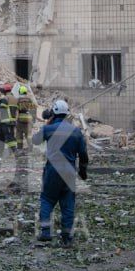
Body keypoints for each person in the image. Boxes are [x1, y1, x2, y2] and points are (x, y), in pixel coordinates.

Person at [32, 99, 89, 246]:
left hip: (52, 170)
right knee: (68, 203)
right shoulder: (76, 131)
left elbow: (35, 141)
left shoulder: (48, 129)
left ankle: (45, 232)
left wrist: (46, 125)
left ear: (53, 113)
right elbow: (83, 155)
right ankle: (67, 238)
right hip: (69, 171)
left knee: (47, 199)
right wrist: (83, 172)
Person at [0, 88, 17, 156]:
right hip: (12, 121)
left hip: (5, 122)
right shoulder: (15, 99)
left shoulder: (5, 99)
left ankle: (14, 152)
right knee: (7, 136)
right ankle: (0, 151)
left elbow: (2, 108)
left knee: (8, 137)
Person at [14, 84, 36, 148]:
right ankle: (31, 148)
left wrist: (15, 120)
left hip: (20, 119)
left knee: (19, 135)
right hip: (29, 119)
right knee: (28, 135)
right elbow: (33, 110)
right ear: (26, 92)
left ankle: (19, 148)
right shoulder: (30, 100)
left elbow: (16, 111)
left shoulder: (18, 100)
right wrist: (33, 120)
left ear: (20, 92)